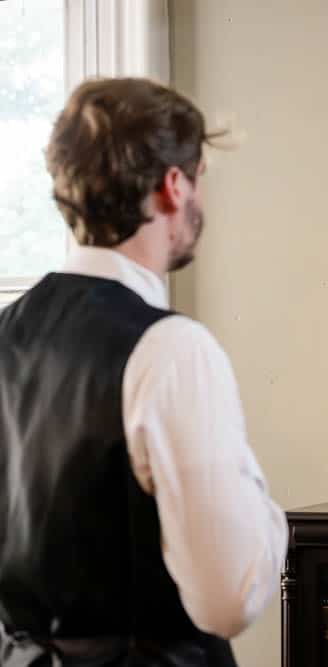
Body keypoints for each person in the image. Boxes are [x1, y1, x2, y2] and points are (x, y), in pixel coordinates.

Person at [0, 78, 288, 666]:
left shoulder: (3, 332)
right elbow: (228, 600)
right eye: (199, 178)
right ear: (173, 187)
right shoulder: (170, 350)